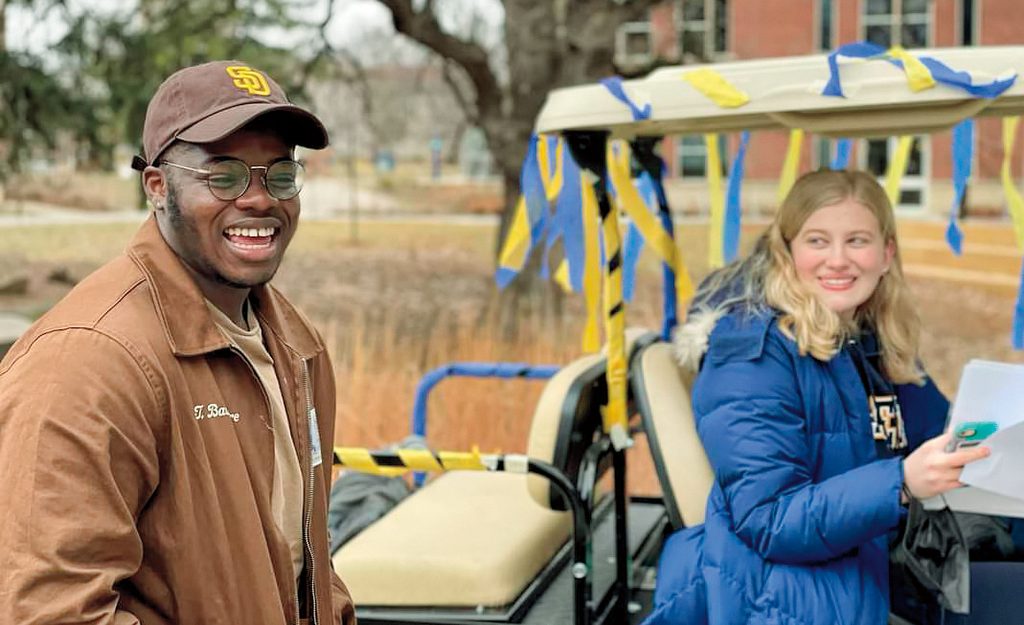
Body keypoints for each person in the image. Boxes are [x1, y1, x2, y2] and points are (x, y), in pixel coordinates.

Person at [0, 60, 355, 625]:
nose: (260, 199)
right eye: (225, 175)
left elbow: (299, 559)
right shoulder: (88, 362)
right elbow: (50, 610)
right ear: (157, 187)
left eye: (280, 176)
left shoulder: (295, 345)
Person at [642, 170, 992, 625]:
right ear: (787, 252)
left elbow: (937, 430)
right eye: (818, 241)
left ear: (886, 254)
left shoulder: (869, 337)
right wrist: (902, 482)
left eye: (857, 240)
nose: (839, 260)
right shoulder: (751, 352)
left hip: (877, 563)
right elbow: (769, 520)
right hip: (784, 596)